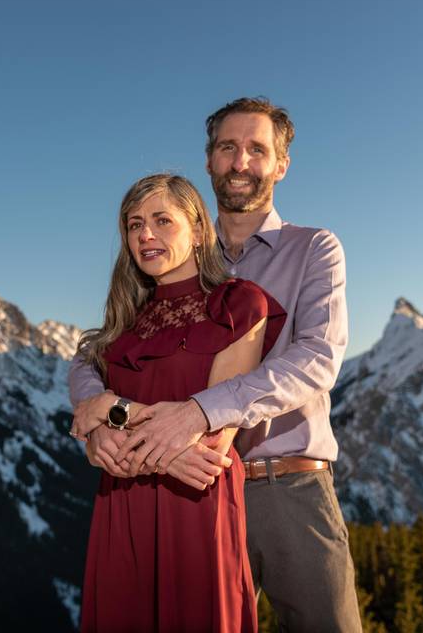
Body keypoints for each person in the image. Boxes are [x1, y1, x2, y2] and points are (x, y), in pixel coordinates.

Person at [70, 97, 362, 632]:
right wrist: (102, 413)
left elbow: (316, 359)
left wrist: (201, 414)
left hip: (285, 487)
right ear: (209, 161)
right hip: (176, 493)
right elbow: (98, 352)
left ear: (281, 164)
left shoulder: (313, 249)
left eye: (257, 149)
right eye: (228, 147)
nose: (241, 162)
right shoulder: (170, 256)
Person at [73, 173, 286, 632]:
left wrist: (114, 417)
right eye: (134, 224)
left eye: (162, 220)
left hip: (195, 507)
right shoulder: (123, 323)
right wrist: (98, 435)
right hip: (121, 506)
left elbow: (210, 445)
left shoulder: (239, 304)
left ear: (197, 229)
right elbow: (93, 412)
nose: (145, 234)